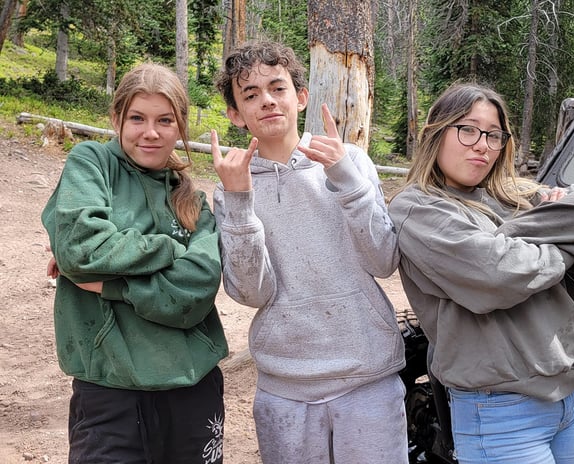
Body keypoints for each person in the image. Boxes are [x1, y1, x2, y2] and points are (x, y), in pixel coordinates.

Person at [388, 81, 574, 464]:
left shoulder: (516, 194)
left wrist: (503, 240)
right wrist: (565, 247)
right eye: (467, 129)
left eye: (494, 135)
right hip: (500, 411)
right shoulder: (417, 209)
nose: (482, 144)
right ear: (436, 132)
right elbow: (498, 275)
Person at [210, 40, 408, 464]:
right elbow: (250, 293)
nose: (266, 101)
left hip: (368, 376)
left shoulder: (349, 159)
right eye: (250, 94)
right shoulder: (231, 186)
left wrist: (345, 178)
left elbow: (384, 260)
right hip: (285, 387)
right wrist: (241, 201)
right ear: (235, 115)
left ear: (300, 97)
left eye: (277, 88)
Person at [41, 62, 228, 464]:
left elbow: (198, 287)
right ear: (116, 118)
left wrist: (113, 285)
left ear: (180, 126)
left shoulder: (193, 202)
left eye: (165, 120)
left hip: (192, 387)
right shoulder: (91, 163)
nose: (151, 132)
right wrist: (170, 249)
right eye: (137, 118)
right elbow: (81, 248)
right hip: (109, 389)